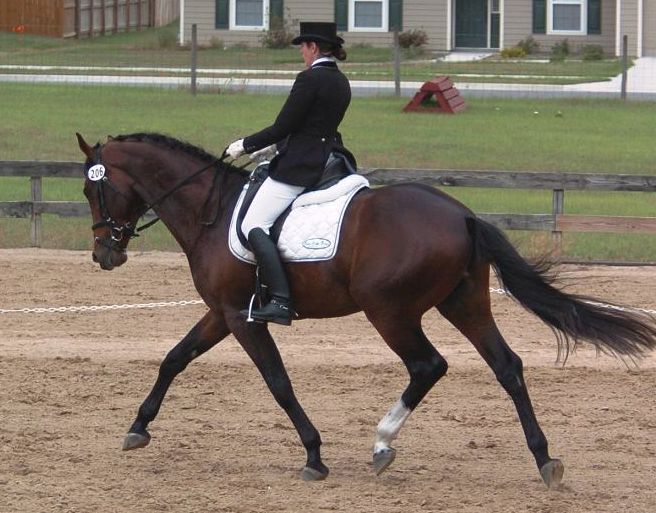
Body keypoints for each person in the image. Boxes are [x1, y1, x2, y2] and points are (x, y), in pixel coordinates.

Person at [226, 21, 354, 326]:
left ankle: (281, 300)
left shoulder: (309, 79)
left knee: (254, 223)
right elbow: (309, 126)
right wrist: (271, 149)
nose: (301, 53)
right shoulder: (341, 81)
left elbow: (283, 125)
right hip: (326, 157)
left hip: (299, 166)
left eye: (302, 47)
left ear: (312, 47)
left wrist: (244, 145)